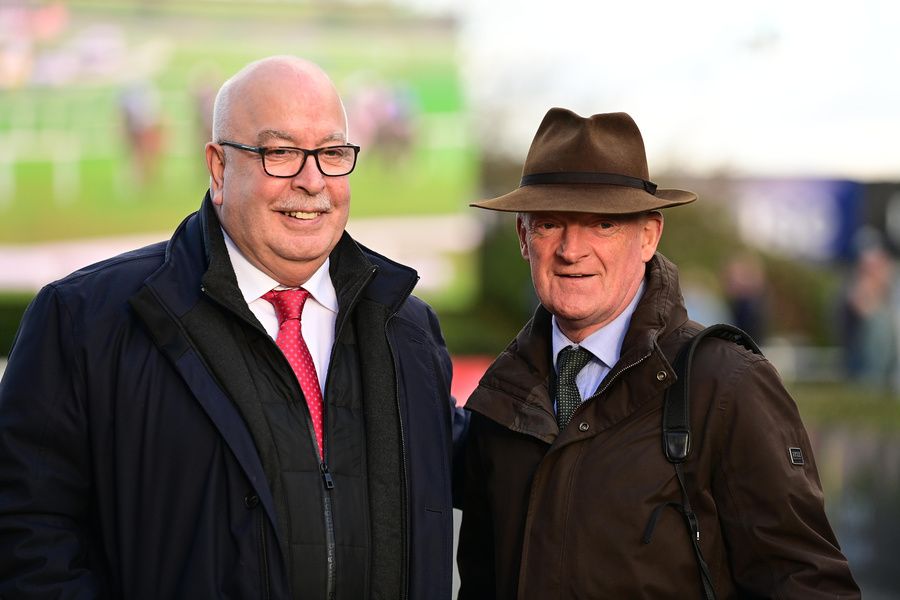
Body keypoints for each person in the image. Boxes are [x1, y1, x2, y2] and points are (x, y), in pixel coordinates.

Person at [0, 55, 458, 599]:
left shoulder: (408, 328)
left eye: (332, 153)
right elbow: (25, 533)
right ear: (219, 168)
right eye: (281, 153)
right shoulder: (84, 320)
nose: (312, 181)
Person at [456, 108, 860, 599]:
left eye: (603, 225)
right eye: (550, 224)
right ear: (524, 238)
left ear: (648, 236)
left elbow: (805, 584)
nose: (571, 249)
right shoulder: (500, 399)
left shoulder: (726, 384)